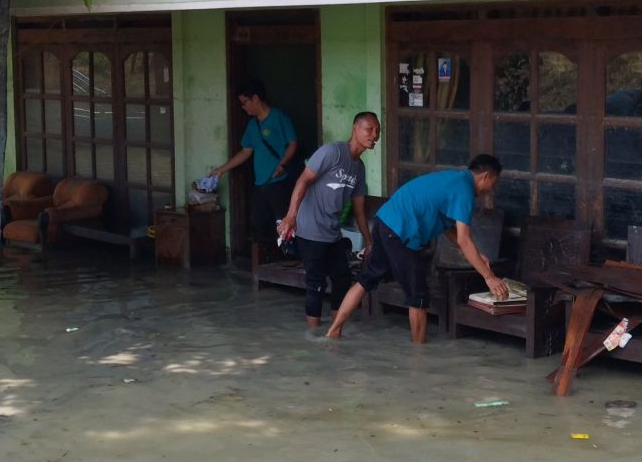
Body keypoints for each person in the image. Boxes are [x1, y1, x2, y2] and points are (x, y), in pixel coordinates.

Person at [326, 154, 508, 344]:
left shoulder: (453, 179)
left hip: (384, 222)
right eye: (493, 184)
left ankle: (333, 331)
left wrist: (478, 256)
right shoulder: (465, 191)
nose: (491, 190)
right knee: (418, 296)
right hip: (400, 231)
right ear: (485, 176)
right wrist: (489, 277)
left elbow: (448, 229)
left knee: (367, 279)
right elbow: (464, 240)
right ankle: (418, 356)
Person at [277, 112, 380, 329]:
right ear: (355, 129)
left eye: (377, 130)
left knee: (342, 279)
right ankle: (313, 335)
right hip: (310, 229)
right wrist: (291, 216)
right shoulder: (332, 152)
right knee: (315, 283)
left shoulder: (358, 168)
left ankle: (335, 331)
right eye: (369, 129)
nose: (374, 135)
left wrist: (369, 243)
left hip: (332, 232)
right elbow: (303, 180)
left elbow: (359, 210)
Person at [210, 78, 299, 249]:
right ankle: (264, 263)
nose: (243, 107)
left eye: (245, 102)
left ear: (255, 98)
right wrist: (221, 170)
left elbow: (293, 143)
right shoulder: (252, 125)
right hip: (260, 184)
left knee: (283, 225)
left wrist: (282, 164)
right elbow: (245, 152)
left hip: (279, 182)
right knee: (258, 223)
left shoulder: (278, 117)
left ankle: (288, 261)